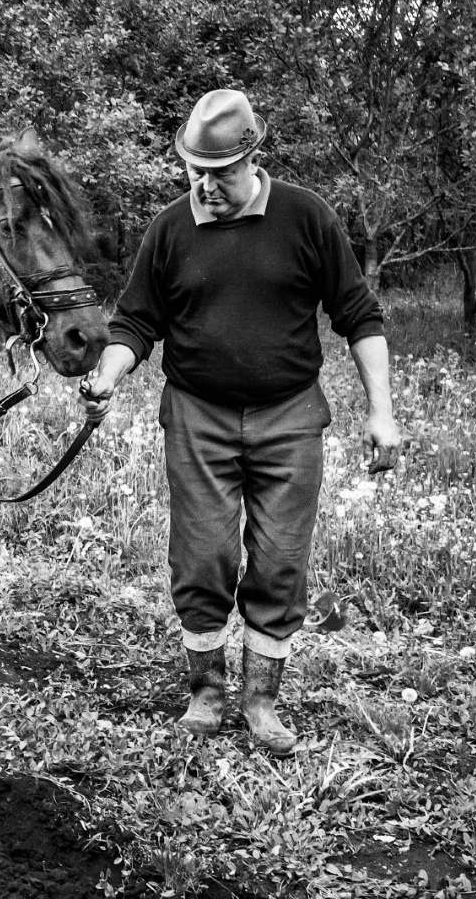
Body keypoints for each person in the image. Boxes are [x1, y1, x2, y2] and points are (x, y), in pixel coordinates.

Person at [80, 89, 400, 756]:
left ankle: (260, 699)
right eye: (194, 169)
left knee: (281, 561)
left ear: (253, 155)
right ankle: (205, 690)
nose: (205, 184)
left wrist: (381, 412)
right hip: (198, 415)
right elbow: (136, 320)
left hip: (289, 416)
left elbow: (359, 316)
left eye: (218, 171)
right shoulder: (170, 228)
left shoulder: (305, 216)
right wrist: (108, 374)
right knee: (203, 557)